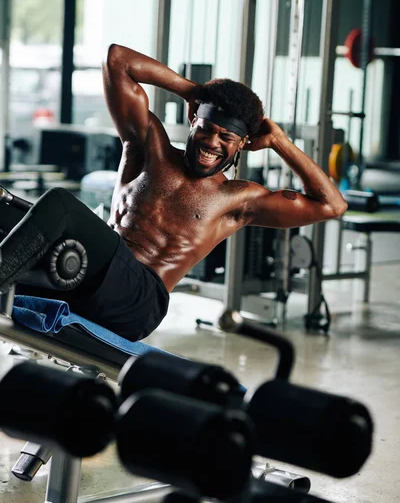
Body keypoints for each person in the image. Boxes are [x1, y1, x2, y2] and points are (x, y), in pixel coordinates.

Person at [0, 44, 347, 341]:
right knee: (5, 205)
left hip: (138, 301)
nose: (212, 143)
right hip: (85, 274)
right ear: (194, 118)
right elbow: (117, 60)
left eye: (226, 138)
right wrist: (192, 91)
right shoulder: (149, 146)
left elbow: (332, 205)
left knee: (61, 204)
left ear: (242, 143)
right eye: (207, 129)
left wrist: (280, 141)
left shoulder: (239, 200)